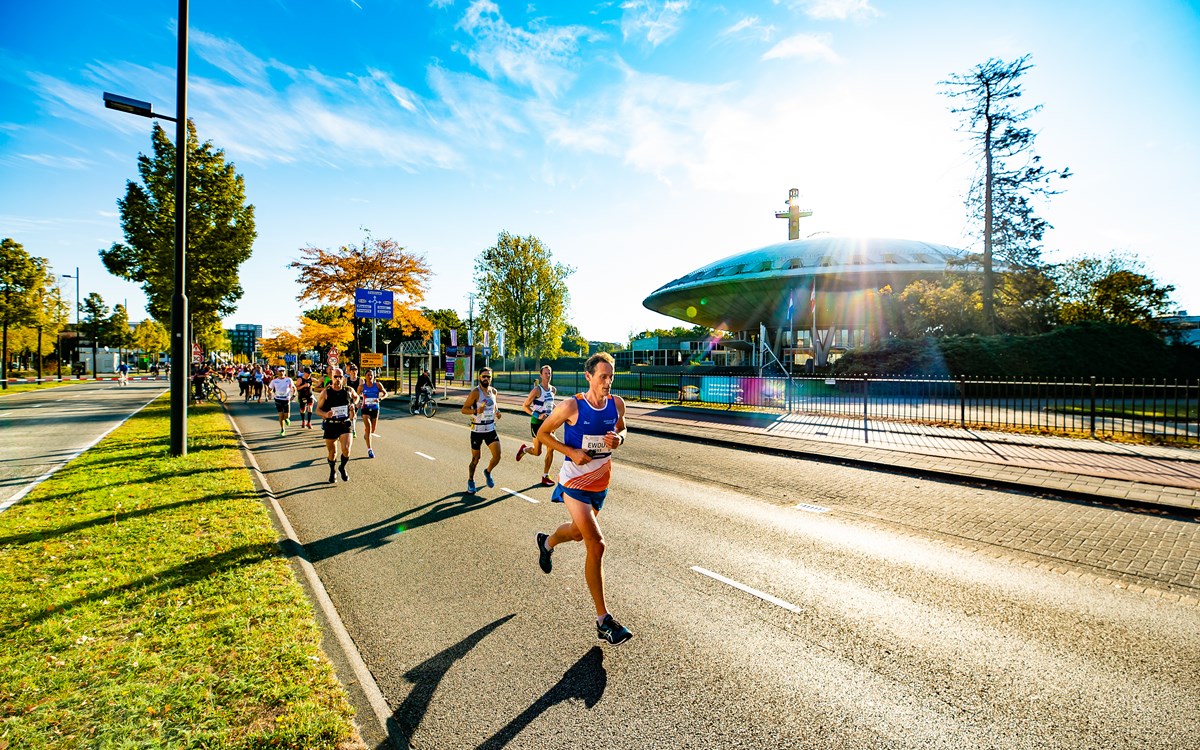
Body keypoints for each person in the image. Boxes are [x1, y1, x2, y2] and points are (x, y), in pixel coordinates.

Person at [532, 352, 632, 645]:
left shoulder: (617, 403)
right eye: (603, 376)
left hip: (600, 482)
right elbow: (542, 432)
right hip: (574, 481)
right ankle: (604, 620)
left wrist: (620, 438)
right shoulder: (571, 406)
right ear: (588, 377)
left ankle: (546, 542)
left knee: (577, 534)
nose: (608, 382)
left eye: (611, 376)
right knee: (596, 544)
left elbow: (622, 427)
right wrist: (571, 451)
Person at [460, 367, 502, 494]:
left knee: (497, 456)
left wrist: (497, 412)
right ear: (479, 377)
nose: (486, 379)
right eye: (484, 376)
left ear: (491, 378)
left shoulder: (494, 391)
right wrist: (475, 411)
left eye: (488, 376)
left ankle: (488, 471)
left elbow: (494, 405)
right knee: (476, 459)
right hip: (477, 430)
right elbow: (464, 409)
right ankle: (471, 480)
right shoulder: (475, 393)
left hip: (490, 429)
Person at [314, 367, 359, 483]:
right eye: (335, 376)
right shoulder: (326, 392)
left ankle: (342, 467)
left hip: (345, 424)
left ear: (343, 377)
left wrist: (353, 404)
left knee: (346, 450)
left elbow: (357, 397)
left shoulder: (348, 390)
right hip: (331, 424)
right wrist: (326, 414)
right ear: (331, 377)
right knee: (332, 452)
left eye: (340, 376)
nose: (338, 379)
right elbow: (318, 410)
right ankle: (333, 470)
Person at [516, 365, 558, 486]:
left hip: (549, 423)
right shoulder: (537, 390)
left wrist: (559, 412)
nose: (548, 375)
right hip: (537, 423)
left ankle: (545, 476)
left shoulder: (553, 390)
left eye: (549, 373)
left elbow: (550, 404)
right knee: (537, 452)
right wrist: (537, 415)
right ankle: (524, 449)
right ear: (540, 375)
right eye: (545, 373)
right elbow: (525, 406)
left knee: (551, 447)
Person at [357, 369, 388, 458]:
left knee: (372, 430)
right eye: (368, 375)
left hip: (375, 408)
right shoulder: (362, 387)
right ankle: (370, 449)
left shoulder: (377, 385)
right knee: (369, 427)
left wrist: (380, 398)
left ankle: (366, 435)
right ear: (365, 376)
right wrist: (358, 402)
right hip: (365, 408)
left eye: (371, 375)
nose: (370, 377)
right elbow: (356, 396)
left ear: (373, 376)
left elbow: (385, 393)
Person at [269, 366, 296, 436]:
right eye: (280, 371)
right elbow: (270, 389)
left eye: (283, 371)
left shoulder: (289, 380)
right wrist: (270, 393)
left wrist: (294, 395)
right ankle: (282, 429)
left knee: (287, 415)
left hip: (286, 399)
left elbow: (294, 388)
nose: (282, 373)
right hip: (278, 399)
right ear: (277, 372)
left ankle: (286, 419)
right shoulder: (274, 381)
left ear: (285, 372)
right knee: (280, 415)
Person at [345, 364, 363, 437]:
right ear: (350, 371)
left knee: (354, 414)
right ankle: (348, 428)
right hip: (348, 399)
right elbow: (344, 389)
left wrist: (359, 401)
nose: (354, 371)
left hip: (356, 399)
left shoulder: (360, 380)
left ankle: (353, 430)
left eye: (355, 370)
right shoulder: (346, 379)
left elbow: (362, 391)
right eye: (352, 370)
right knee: (348, 415)